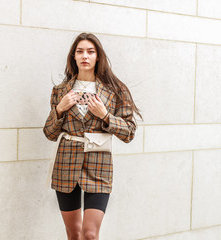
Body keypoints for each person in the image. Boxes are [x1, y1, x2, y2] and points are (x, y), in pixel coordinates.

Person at [43, 32, 143, 240]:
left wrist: (105, 116)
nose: (85, 56)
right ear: (73, 57)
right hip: (66, 165)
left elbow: (129, 132)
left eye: (90, 51)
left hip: (99, 166)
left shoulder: (115, 90)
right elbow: (50, 133)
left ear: (98, 56)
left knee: (89, 233)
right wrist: (60, 109)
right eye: (79, 52)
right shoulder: (60, 91)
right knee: (74, 234)